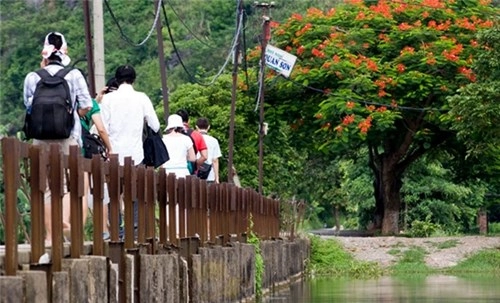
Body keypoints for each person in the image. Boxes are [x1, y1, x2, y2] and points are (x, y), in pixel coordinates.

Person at [23, 32, 93, 245]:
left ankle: (50, 236)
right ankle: (64, 224)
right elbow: (86, 105)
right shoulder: (73, 75)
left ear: (45, 53)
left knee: (44, 185)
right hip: (67, 137)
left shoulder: (33, 76)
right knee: (67, 184)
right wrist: (71, 115)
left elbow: (28, 105)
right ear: (64, 51)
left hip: (41, 138)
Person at [100, 65, 160, 165]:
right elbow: (155, 126)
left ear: (117, 79)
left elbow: (103, 129)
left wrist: (109, 148)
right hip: (136, 155)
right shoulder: (142, 98)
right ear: (134, 80)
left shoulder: (107, 99)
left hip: (114, 156)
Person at [81, 77, 117, 240]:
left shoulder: (64, 101)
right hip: (85, 151)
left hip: (62, 150)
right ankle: (103, 231)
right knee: (98, 190)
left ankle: (74, 231)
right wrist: (109, 148)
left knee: (73, 191)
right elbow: (101, 129)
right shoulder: (89, 103)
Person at [175, 109, 208, 174]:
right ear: (189, 120)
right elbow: (204, 156)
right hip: (190, 171)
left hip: (173, 170)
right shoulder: (197, 135)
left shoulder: (171, 135)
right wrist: (195, 165)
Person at [195, 117, 222, 184]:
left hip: (195, 174)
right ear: (208, 127)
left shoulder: (192, 139)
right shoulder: (214, 141)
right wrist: (217, 177)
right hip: (209, 175)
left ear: (196, 127)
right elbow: (215, 160)